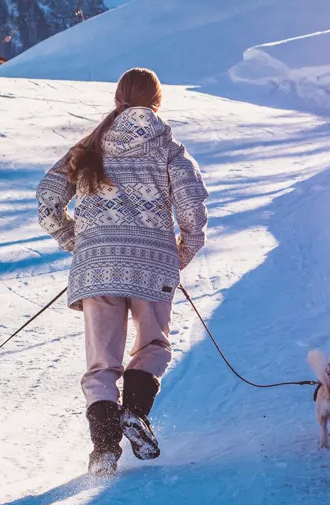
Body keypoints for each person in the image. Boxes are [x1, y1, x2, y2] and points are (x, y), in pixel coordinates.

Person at [36, 68, 209, 476]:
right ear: (157, 100)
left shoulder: (88, 147)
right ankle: (134, 412)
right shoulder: (170, 148)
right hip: (153, 265)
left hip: (97, 268)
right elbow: (192, 213)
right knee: (153, 345)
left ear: (118, 99)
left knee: (101, 363)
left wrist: (76, 241)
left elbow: (47, 199)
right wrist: (179, 255)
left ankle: (104, 451)